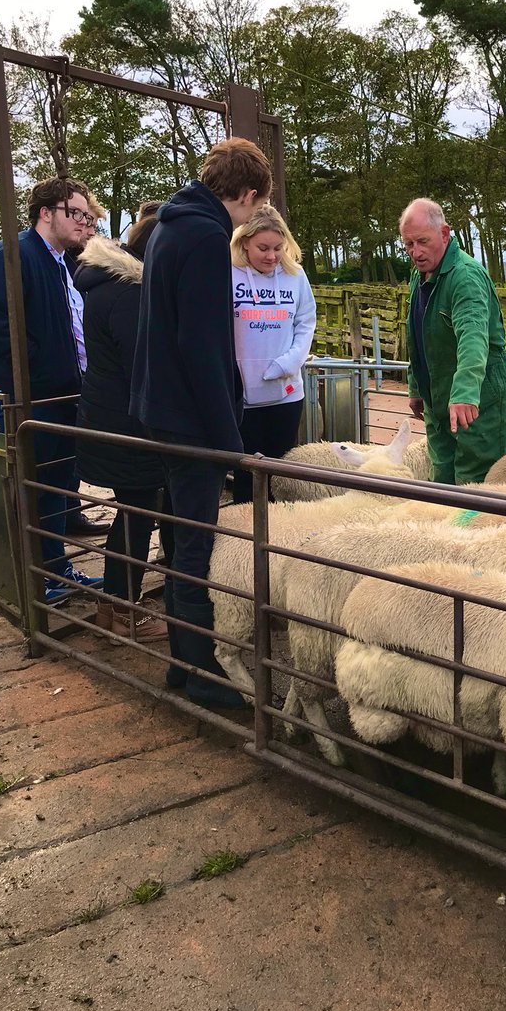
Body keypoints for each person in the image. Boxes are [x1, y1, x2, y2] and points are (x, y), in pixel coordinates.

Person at [130, 138, 273, 709]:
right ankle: (202, 673)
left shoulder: (169, 224)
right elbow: (203, 345)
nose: (247, 217)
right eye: (251, 205)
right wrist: (229, 442)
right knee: (195, 546)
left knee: (177, 537)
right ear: (243, 193)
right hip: (189, 420)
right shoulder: (207, 236)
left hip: (159, 410)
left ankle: (180, 661)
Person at [0, 177, 105, 603]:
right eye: (77, 213)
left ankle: (54, 568)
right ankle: (39, 575)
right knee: (38, 482)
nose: (84, 221)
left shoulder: (61, 260)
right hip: (29, 394)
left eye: (87, 215)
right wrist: (40, 367)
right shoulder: (12, 254)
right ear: (47, 212)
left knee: (57, 480)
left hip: (62, 391)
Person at [73, 202, 168, 641]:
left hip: (109, 418)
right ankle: (122, 608)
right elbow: (143, 367)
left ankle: (115, 604)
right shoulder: (132, 295)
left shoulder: (107, 285)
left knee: (134, 512)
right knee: (136, 515)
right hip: (129, 426)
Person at [400, 197, 506, 484]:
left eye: (423, 242)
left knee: (477, 485)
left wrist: (465, 392)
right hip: (440, 399)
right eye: (408, 244)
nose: (416, 252)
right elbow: (417, 334)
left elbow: (473, 336)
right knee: (443, 482)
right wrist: (417, 386)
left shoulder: (464, 278)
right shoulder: (422, 275)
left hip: (481, 400)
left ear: (444, 233)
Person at [229, 204, 317, 503]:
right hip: (242, 397)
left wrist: (288, 363)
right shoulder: (228, 274)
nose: (271, 256)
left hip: (286, 393)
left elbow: (306, 322)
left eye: (278, 248)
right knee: (246, 477)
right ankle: (244, 544)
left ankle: (277, 540)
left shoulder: (295, 276)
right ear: (244, 242)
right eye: (263, 248)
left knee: (278, 476)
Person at [64, 196, 111, 539]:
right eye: (83, 220)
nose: (89, 229)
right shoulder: (62, 260)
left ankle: (71, 512)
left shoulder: (88, 263)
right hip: (60, 374)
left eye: (93, 223)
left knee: (70, 450)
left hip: (83, 367)